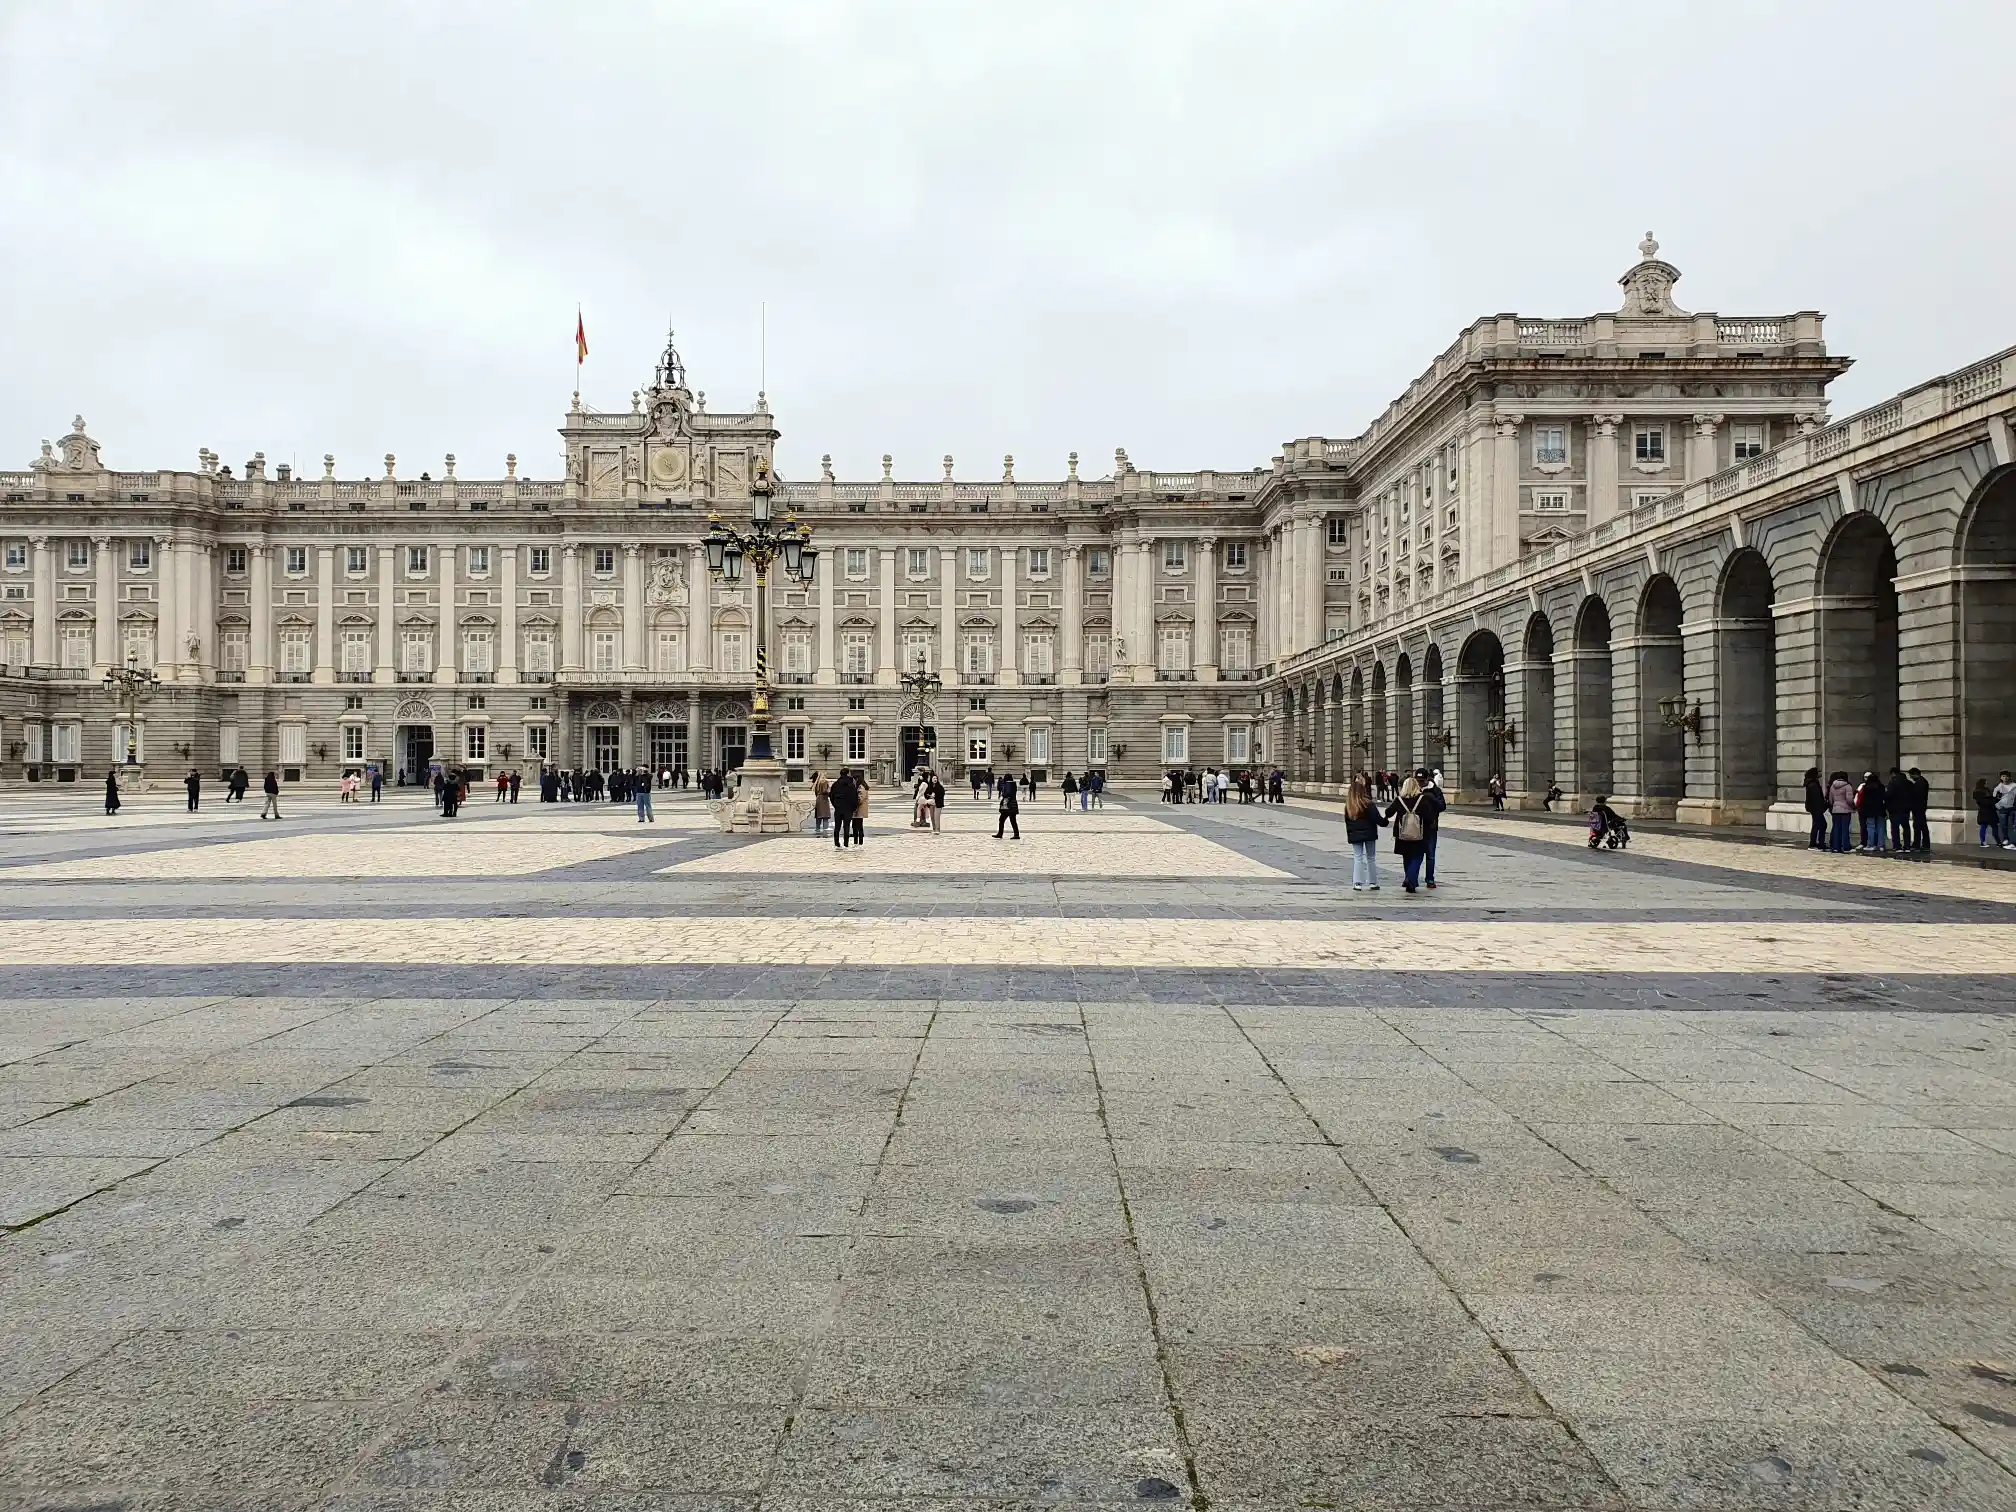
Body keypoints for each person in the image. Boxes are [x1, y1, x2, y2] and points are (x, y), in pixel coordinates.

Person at [1386, 775, 1431, 893]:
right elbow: (1428, 817)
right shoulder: (1423, 799)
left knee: (1406, 857)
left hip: (1403, 834)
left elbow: (1388, 812)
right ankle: (1411, 879)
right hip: (1419, 834)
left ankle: (1409, 878)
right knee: (1417, 857)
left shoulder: (1399, 800)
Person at [1344, 773, 1387, 891]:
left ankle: (1357, 882)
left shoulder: (1349, 806)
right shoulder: (1368, 803)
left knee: (1358, 857)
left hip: (1355, 834)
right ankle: (1373, 882)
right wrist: (1385, 821)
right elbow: (1377, 819)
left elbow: (1347, 822)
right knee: (1371, 857)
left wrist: (1350, 834)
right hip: (1369, 834)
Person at [1414, 767, 1449, 889]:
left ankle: (1430, 878)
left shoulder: (1435, 790)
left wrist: (1430, 799)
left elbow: (1442, 806)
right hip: (1415, 827)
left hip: (1431, 826)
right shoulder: (1413, 789)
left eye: (1422, 781)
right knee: (1415, 854)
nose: (1420, 783)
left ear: (1427, 779)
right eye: (1418, 781)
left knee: (1430, 854)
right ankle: (1412, 878)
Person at [1855, 771, 1887, 853]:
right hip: (1880, 809)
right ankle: (1881, 846)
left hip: (1870, 810)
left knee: (1870, 827)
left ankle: (1871, 845)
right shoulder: (1881, 787)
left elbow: (1863, 799)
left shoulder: (1866, 787)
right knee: (1881, 828)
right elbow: (1885, 798)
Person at [1885, 767, 1913, 856]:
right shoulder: (1909, 783)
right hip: (1906, 809)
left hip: (1894, 809)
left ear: (1893, 773)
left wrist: (1887, 805)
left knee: (1895, 828)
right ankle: (1907, 846)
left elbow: (1888, 795)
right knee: (1906, 827)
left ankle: (1897, 846)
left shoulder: (1893, 783)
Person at [1828, 771, 1855, 853]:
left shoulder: (1832, 786)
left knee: (1836, 828)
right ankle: (1845, 847)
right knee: (1845, 829)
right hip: (1845, 810)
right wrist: (1853, 806)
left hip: (1835, 810)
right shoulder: (1847, 786)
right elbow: (1849, 799)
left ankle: (1836, 847)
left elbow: (1830, 799)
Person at [830, 770, 859, 848]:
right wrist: (853, 808)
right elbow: (854, 798)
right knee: (846, 827)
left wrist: (835, 805)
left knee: (837, 827)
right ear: (848, 773)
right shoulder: (851, 785)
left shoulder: (835, 784)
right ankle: (846, 843)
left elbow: (831, 796)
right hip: (848, 809)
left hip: (838, 808)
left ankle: (836, 843)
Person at [1803, 767, 1828, 849]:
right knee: (1820, 825)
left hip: (1814, 808)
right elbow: (1817, 799)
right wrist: (1823, 806)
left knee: (1818, 825)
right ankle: (1815, 843)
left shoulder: (1811, 783)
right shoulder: (1813, 785)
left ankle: (1817, 843)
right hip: (1816, 808)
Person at [1909, 768, 1930, 856]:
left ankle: (1917, 844)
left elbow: (1916, 796)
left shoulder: (1919, 783)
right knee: (1923, 826)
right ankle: (1925, 844)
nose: (1911, 778)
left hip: (1918, 808)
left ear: (1915, 774)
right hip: (1921, 807)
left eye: (1911, 776)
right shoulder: (1923, 782)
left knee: (1918, 826)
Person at [995, 771, 1021, 839]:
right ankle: (1016, 834)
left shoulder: (1008, 784)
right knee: (1013, 820)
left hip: (1008, 805)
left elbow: (1007, 794)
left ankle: (1000, 833)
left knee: (1002, 819)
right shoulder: (1013, 784)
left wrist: (1003, 794)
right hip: (1013, 804)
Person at [1976, 778, 2000, 848]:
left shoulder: (1987, 790)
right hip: (1985, 811)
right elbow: (1982, 802)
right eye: (1985, 783)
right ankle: (1984, 842)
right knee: (1985, 826)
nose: (1987, 784)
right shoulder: (1979, 792)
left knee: (1993, 826)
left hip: (1989, 811)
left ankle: (1997, 841)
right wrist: (1993, 801)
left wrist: (1995, 800)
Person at [1995, 770, 2016, 849]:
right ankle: (2005, 839)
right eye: (2003, 776)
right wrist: (1997, 805)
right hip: (2003, 808)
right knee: (2004, 825)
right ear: (2001, 777)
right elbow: (1995, 797)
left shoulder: (2014, 786)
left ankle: (2013, 842)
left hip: (2013, 808)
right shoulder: (1999, 787)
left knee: (2014, 825)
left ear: (2009, 777)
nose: (2005, 778)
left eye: (2006, 776)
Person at [812, 770, 832, 837]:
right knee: (825, 816)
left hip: (818, 798)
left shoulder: (817, 783)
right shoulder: (824, 782)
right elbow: (825, 791)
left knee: (819, 816)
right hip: (824, 799)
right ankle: (825, 829)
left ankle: (817, 828)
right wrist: (830, 791)